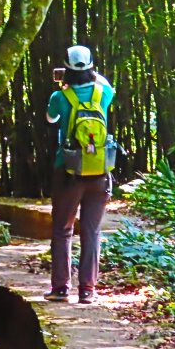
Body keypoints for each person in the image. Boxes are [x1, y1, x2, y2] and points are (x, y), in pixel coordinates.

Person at [44, 45, 115, 305]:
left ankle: (61, 288)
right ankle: (88, 290)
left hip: (68, 171)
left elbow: (51, 120)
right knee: (91, 230)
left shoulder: (60, 97)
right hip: (99, 172)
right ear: (92, 67)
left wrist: (64, 85)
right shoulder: (103, 92)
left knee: (63, 230)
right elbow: (107, 85)